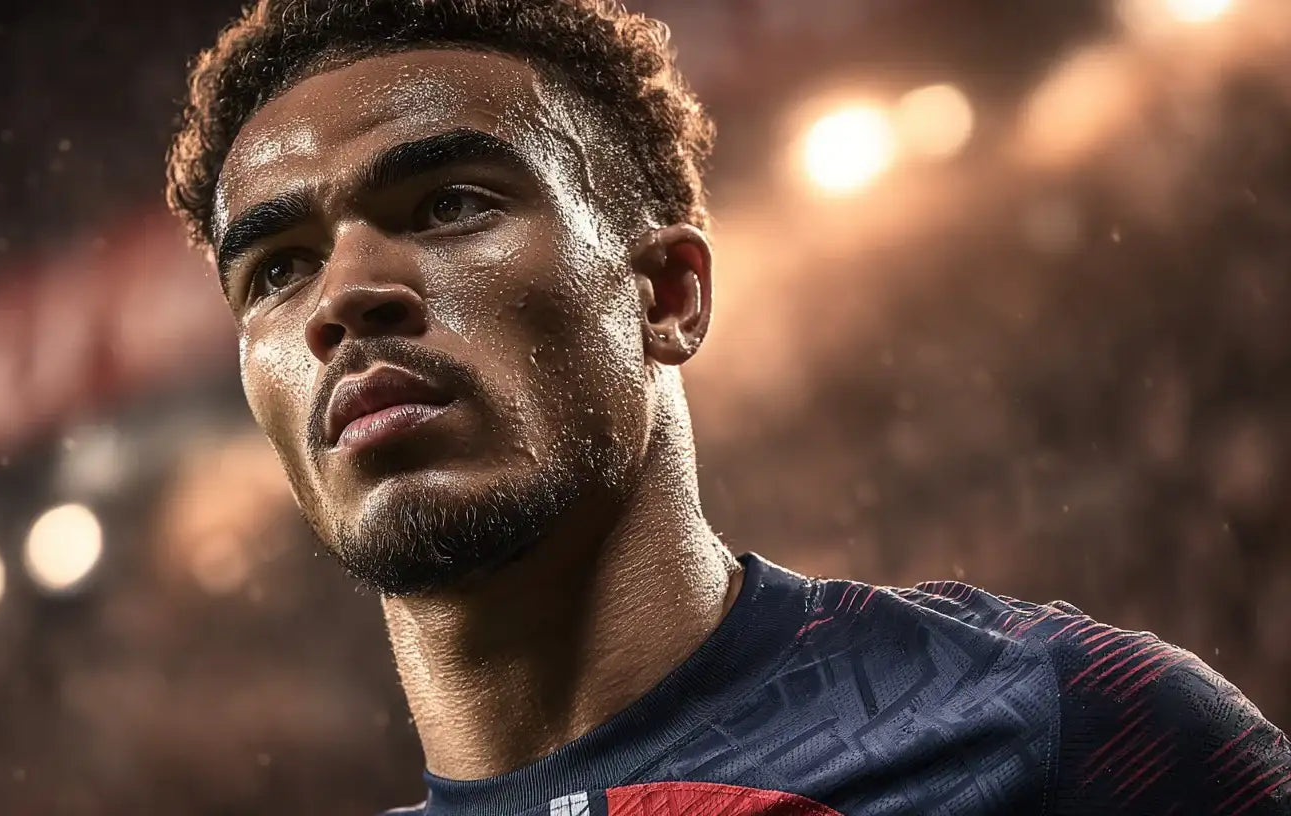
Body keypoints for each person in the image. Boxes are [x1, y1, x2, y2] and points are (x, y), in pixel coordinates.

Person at [165, 1, 1290, 813]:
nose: (344, 298)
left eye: (448, 202)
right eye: (274, 269)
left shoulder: (1065, 727)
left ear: (665, 293)